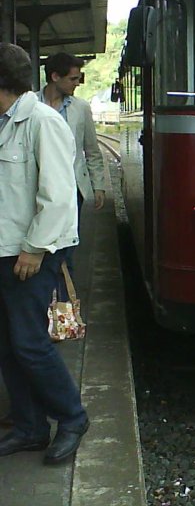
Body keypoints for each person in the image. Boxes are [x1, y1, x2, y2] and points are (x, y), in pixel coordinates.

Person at [0, 43, 89, 464]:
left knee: (30, 343)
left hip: (31, 252)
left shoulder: (42, 122)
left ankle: (72, 417)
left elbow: (58, 197)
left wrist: (34, 250)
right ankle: (30, 426)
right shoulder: (5, 123)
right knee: (6, 344)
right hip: (4, 250)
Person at [39, 53, 107, 238]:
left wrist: (98, 185)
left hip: (71, 187)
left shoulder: (81, 108)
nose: (77, 83)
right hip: (38, 185)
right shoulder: (31, 104)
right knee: (42, 237)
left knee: (68, 241)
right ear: (55, 77)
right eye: (73, 79)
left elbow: (91, 150)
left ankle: (66, 267)